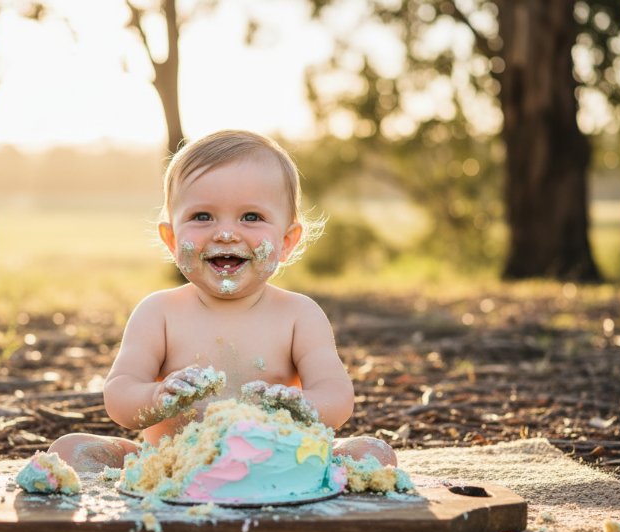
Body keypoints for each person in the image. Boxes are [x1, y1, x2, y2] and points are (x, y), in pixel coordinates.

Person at [48, 130, 397, 472]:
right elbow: (119, 396)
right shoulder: (158, 313)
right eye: (202, 217)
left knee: (372, 453)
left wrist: (301, 405)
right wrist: (156, 399)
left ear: (287, 241)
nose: (226, 233)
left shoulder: (299, 315)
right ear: (171, 238)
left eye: (251, 217)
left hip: (276, 461)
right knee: (69, 451)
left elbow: (337, 396)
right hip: (174, 464)